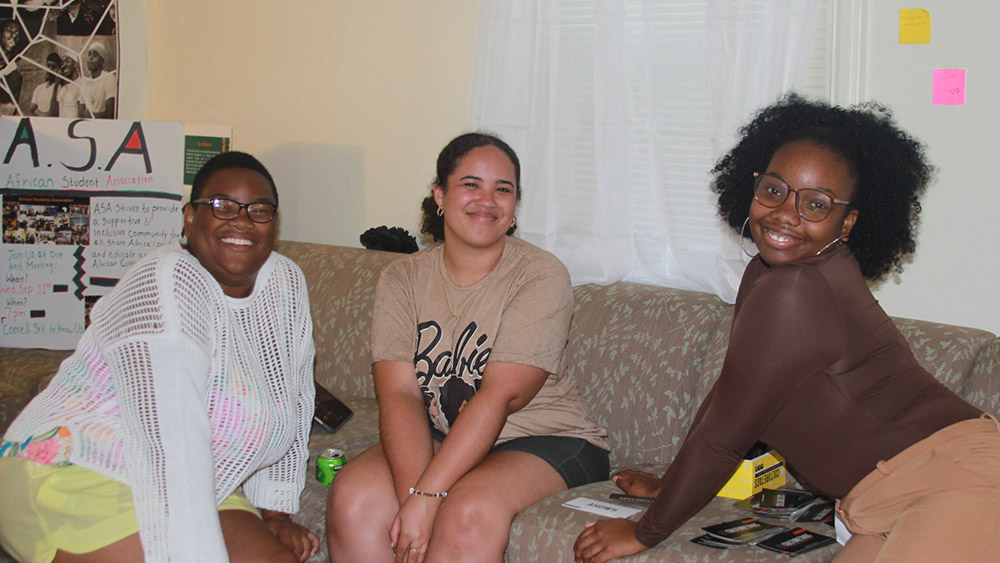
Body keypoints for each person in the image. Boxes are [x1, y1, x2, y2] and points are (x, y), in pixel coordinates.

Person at [572, 94, 1000, 563]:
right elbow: (732, 395)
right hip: (880, 497)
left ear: (847, 221)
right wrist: (670, 484)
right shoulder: (769, 273)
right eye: (774, 190)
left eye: (815, 204)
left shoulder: (794, 291)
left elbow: (725, 435)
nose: (785, 214)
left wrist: (644, 532)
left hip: (956, 482)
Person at [0, 151, 320, 562]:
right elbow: (171, 438)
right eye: (222, 206)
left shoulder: (285, 282)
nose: (242, 221)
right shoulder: (167, 281)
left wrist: (274, 511)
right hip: (79, 466)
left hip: (206, 482)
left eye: (259, 210)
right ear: (190, 216)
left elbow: (291, 399)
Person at [326, 132, 610, 562]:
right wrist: (414, 500)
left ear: (514, 207)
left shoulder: (540, 276)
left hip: (544, 438)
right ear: (440, 195)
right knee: (354, 495)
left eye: (503, 189)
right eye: (471, 184)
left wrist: (429, 495)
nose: (487, 200)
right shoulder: (402, 279)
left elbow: (500, 395)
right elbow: (400, 393)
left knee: (465, 512)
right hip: (446, 434)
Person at [80, 41, 115, 118]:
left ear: (102, 61)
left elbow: (110, 113)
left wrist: (93, 116)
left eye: (95, 55)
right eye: (89, 54)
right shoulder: (85, 82)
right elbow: (81, 113)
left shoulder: (109, 78)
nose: (90, 58)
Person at [1, 19, 25, 116]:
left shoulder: (14, 74)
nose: (13, 35)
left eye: (17, 33)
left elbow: (8, 110)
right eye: (9, 31)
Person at [28, 52, 61, 116]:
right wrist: (44, 114)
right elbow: (31, 109)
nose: (50, 69)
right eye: (48, 65)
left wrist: (37, 111)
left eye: (53, 67)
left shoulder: (60, 88)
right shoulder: (39, 88)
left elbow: (52, 114)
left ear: (58, 69)